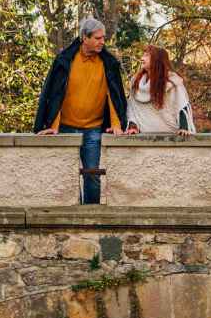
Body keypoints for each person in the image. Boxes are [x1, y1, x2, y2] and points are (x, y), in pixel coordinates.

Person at [34, 17, 135, 204]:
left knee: (92, 174)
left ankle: (92, 215)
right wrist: (52, 126)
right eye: (97, 38)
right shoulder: (65, 61)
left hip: (93, 129)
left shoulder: (108, 63)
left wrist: (116, 124)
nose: (102, 42)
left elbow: (113, 96)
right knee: (66, 176)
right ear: (84, 38)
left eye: (103, 38)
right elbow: (55, 95)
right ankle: (72, 215)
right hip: (65, 128)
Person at [126, 44, 196, 135]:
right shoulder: (136, 83)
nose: (142, 58)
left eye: (147, 55)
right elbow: (133, 109)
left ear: (157, 60)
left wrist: (184, 127)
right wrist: (133, 126)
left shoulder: (172, 81)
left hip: (170, 136)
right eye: (143, 55)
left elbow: (181, 105)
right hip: (144, 137)